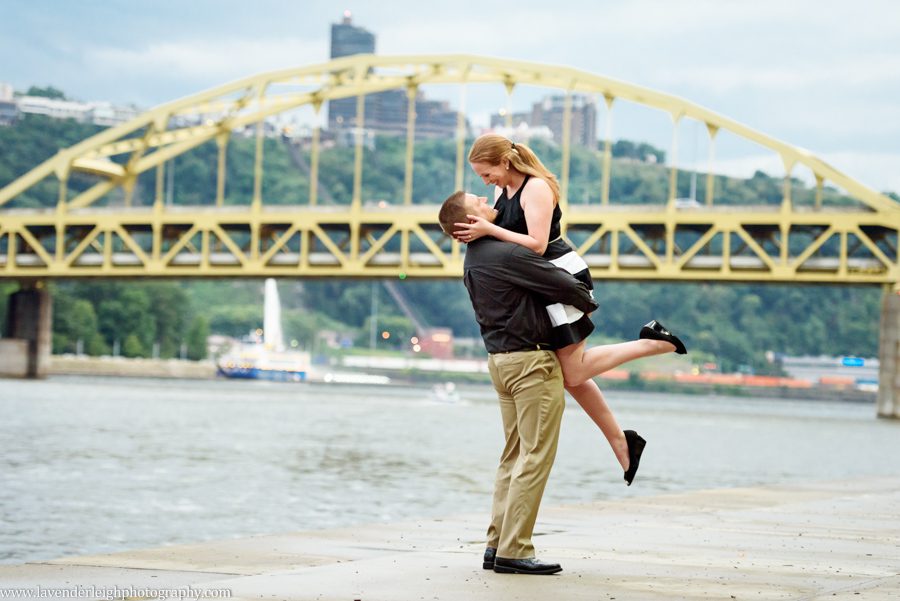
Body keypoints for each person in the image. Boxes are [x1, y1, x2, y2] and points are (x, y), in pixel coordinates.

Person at [453, 134, 687, 486]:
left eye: (487, 174)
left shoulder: (536, 189)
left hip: (560, 276)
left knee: (573, 374)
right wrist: (480, 233)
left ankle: (654, 344)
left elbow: (537, 244)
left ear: (504, 162)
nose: (486, 183)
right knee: (571, 375)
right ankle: (622, 443)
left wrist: (488, 228)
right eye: (481, 177)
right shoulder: (505, 192)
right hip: (538, 283)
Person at [438, 192, 599, 575]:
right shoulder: (508, 254)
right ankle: (515, 549)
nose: (484, 196)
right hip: (532, 364)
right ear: (469, 221)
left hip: (500, 362)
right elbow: (576, 291)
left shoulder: (473, 261)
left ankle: (496, 544)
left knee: (513, 455)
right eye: (476, 199)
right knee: (535, 456)